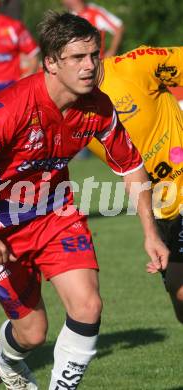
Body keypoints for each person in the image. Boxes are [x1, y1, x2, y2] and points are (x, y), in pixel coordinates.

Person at [0, 12, 169, 390]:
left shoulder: (98, 107)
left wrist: (151, 233)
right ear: (50, 62)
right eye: (77, 58)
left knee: (89, 307)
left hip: (55, 215)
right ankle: (6, 356)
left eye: (94, 55)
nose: (90, 66)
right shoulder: (12, 107)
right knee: (31, 334)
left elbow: (131, 167)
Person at [87, 45, 183, 325]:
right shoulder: (70, 107)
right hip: (160, 209)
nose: (83, 66)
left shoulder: (136, 65)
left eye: (86, 54)